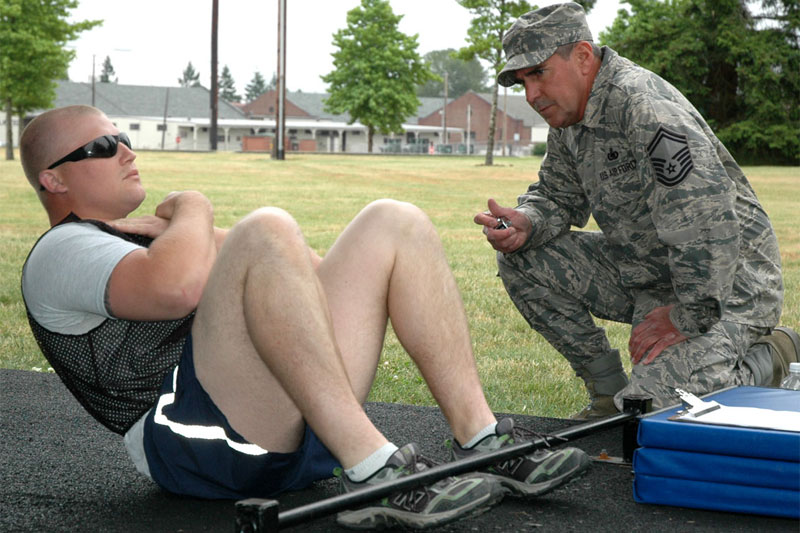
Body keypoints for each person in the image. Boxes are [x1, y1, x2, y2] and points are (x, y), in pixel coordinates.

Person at [20, 105, 590, 530]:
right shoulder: (62, 250)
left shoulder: (156, 242)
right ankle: (374, 472)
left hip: (283, 435)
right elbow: (178, 289)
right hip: (197, 450)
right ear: (54, 180)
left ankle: (481, 438)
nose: (126, 151)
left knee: (393, 220)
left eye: (122, 138)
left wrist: (203, 235)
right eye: (101, 147)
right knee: (266, 225)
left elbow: (315, 281)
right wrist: (194, 206)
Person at [475, 2, 799, 419]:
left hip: (727, 288)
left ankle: (767, 359)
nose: (531, 95)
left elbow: (706, 226)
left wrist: (688, 317)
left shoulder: (645, 109)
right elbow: (557, 195)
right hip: (649, 273)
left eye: (539, 73)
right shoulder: (571, 117)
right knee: (522, 258)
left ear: (583, 56)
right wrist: (528, 221)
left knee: (657, 411)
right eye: (522, 81)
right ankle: (608, 393)